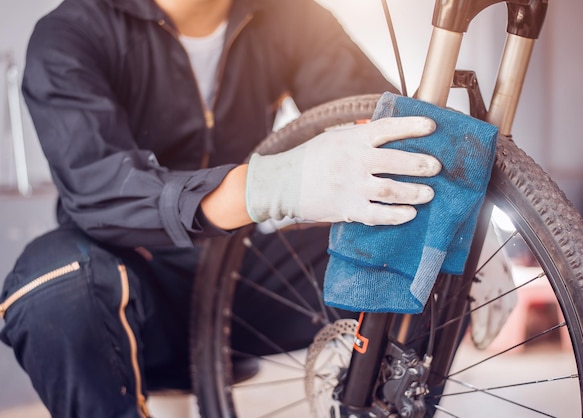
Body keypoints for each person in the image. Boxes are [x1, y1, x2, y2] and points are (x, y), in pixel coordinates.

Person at [0, 0, 441, 416]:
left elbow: (386, 128)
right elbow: (103, 190)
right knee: (51, 285)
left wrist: (450, 217)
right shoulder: (71, 33)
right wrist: (272, 185)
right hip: (131, 289)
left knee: (423, 250)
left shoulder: (288, 16)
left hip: (238, 280)